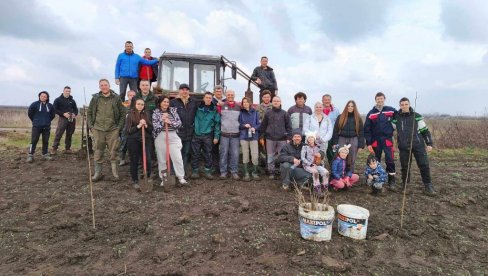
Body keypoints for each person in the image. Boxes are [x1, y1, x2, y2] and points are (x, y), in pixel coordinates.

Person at [392, 97, 436, 195]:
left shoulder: (417, 116)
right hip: (403, 146)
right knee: (405, 166)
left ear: (409, 104)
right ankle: (405, 185)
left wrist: (429, 143)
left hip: (418, 144)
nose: (404, 106)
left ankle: (428, 186)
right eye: (402, 105)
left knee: (424, 165)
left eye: (406, 104)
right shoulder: (396, 117)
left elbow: (425, 131)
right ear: (400, 106)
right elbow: (390, 129)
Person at [87, 79, 125, 181]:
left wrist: (119, 128)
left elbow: (122, 114)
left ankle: (114, 173)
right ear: (100, 87)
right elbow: (89, 113)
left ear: (109, 86)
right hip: (98, 129)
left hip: (113, 130)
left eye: (105, 85)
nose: (104, 87)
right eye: (102, 85)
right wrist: (91, 126)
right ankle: (97, 173)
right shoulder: (95, 98)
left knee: (113, 151)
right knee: (98, 151)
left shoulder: (116, 98)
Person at [364, 92, 397, 190]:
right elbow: (367, 129)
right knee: (374, 160)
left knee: (390, 160)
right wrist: (368, 143)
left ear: (384, 99)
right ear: (375, 100)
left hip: (387, 140)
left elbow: (398, 118)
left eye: (381, 98)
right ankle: (371, 178)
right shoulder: (371, 113)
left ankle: (391, 180)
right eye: (378, 99)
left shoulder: (391, 110)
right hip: (375, 141)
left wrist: (394, 125)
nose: (380, 100)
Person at [152, 96, 188, 187]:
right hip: (161, 136)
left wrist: (170, 122)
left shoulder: (173, 111)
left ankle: (181, 177)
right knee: (162, 159)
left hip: (173, 135)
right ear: (160, 102)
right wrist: (162, 120)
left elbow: (179, 124)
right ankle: (163, 179)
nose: (166, 104)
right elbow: (155, 127)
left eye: (167, 102)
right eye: (164, 102)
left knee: (177, 158)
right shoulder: (156, 112)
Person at [260, 96, 292, 179]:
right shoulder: (268, 113)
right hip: (270, 138)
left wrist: (289, 138)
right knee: (270, 156)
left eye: (278, 101)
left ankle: (282, 172)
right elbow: (263, 126)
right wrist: (262, 136)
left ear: (280, 102)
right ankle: (271, 172)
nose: (276, 102)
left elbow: (289, 126)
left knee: (281, 156)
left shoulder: (285, 113)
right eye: (274, 101)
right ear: (272, 102)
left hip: (282, 139)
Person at [170, 83, 199, 175]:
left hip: (189, 132)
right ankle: (173, 172)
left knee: (186, 153)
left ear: (188, 91)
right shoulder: (173, 102)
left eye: (186, 89)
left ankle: (182, 172)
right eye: (182, 89)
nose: (184, 91)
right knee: (175, 153)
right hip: (177, 133)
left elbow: (206, 104)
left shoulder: (193, 102)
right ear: (179, 91)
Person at [191, 92, 221, 180]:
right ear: (203, 98)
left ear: (212, 99)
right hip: (196, 134)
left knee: (208, 154)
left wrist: (216, 136)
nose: (208, 99)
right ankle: (195, 171)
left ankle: (208, 171)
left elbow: (217, 124)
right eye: (207, 97)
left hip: (208, 135)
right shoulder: (197, 108)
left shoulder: (214, 109)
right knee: (195, 154)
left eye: (210, 98)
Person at [125, 99, 153, 190]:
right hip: (133, 141)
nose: (140, 105)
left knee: (148, 159)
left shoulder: (146, 115)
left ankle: (147, 177)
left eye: (142, 104)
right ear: (135, 105)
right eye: (138, 104)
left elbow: (151, 130)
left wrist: (146, 126)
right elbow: (128, 131)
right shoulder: (130, 115)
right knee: (134, 160)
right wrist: (138, 126)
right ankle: (135, 180)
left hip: (146, 139)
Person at [331, 100, 365, 173]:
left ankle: (349, 174)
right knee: (340, 156)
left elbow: (361, 132)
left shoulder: (358, 118)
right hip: (342, 139)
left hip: (353, 139)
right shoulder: (340, 117)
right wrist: (334, 142)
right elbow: (335, 130)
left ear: (354, 108)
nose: (350, 107)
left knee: (352, 158)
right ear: (346, 107)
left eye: (352, 106)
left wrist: (361, 145)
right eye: (349, 106)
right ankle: (339, 174)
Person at [27, 91, 56, 163]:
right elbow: (30, 113)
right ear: (39, 96)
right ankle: (30, 155)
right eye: (42, 96)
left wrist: (47, 121)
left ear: (47, 98)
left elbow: (53, 115)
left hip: (46, 127)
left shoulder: (50, 106)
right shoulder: (34, 104)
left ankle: (45, 154)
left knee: (45, 141)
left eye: (45, 96)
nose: (43, 97)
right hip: (36, 126)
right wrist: (36, 121)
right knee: (34, 140)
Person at [219, 89, 241, 180]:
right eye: (228, 95)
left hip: (235, 134)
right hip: (224, 134)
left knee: (235, 154)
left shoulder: (239, 106)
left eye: (232, 94)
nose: (230, 96)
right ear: (226, 96)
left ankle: (234, 171)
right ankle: (223, 172)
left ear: (234, 96)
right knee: (223, 153)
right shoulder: (221, 106)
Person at [238, 97, 261, 181]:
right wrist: (244, 125)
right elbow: (238, 124)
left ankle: (254, 172)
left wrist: (254, 128)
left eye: (247, 102)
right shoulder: (241, 113)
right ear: (242, 104)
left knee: (255, 155)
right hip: (243, 136)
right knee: (245, 154)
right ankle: (246, 173)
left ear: (250, 103)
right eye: (244, 102)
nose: (245, 103)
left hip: (254, 137)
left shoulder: (256, 113)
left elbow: (259, 124)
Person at [51, 86, 78, 154]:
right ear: (63, 91)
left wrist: (75, 114)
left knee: (69, 134)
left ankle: (67, 149)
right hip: (63, 119)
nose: (67, 92)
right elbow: (54, 109)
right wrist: (63, 114)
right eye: (66, 91)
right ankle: (54, 148)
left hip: (71, 119)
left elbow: (76, 110)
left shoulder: (72, 100)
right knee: (59, 133)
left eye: (69, 91)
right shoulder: (58, 100)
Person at [119, 90, 137, 166]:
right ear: (127, 96)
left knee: (135, 144)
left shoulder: (138, 104)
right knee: (124, 143)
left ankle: (134, 159)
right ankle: (122, 159)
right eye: (130, 95)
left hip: (135, 127)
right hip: (125, 128)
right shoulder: (123, 105)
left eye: (133, 95)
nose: (132, 97)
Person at [256, 90, 272, 168]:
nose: (266, 98)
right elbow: (255, 118)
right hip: (259, 131)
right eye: (265, 97)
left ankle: (268, 166)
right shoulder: (258, 107)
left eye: (268, 97)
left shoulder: (273, 106)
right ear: (262, 98)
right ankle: (258, 166)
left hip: (269, 131)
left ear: (270, 97)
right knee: (258, 149)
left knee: (268, 150)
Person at [322, 94, 341, 164]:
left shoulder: (336, 110)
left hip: (332, 135)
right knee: (321, 152)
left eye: (328, 100)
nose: (327, 101)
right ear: (322, 101)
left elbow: (339, 123)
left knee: (332, 153)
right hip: (322, 136)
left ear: (330, 100)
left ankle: (333, 167)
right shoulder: (319, 109)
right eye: (325, 100)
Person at [211, 85, 225, 172]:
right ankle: (215, 167)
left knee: (224, 149)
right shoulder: (210, 100)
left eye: (220, 91)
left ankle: (223, 167)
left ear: (222, 92)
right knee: (213, 148)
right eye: (217, 91)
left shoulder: (226, 101)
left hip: (224, 127)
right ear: (214, 92)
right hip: (213, 127)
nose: (219, 93)